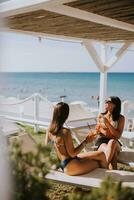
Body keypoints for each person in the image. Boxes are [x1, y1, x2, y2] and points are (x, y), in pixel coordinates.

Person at [47, 102, 108, 176]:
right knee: (99, 162)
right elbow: (72, 154)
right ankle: (108, 181)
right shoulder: (65, 132)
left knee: (100, 154)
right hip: (70, 165)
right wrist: (86, 141)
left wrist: (54, 165)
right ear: (66, 115)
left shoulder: (49, 130)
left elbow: (46, 151)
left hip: (64, 163)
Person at [95, 96, 125, 169]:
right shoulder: (101, 116)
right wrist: (106, 131)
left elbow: (118, 136)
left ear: (115, 105)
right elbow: (98, 130)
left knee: (112, 142)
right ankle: (113, 176)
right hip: (102, 142)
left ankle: (103, 167)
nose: (106, 103)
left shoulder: (121, 118)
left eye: (109, 101)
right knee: (113, 153)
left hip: (115, 142)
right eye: (106, 101)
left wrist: (107, 124)